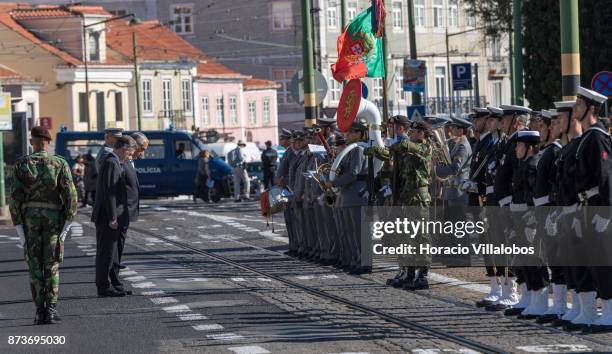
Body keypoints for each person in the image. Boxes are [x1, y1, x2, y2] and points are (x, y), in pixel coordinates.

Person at [9, 126, 78, 324]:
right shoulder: (59, 164)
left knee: (35, 267)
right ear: (48, 142)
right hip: (54, 221)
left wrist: (20, 229)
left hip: (30, 221)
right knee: (52, 266)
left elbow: (14, 200)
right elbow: (71, 197)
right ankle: (52, 310)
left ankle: (39, 311)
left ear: (32, 142)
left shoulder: (22, 164)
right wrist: (66, 226)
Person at [566, 87, 611, 333]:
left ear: (591, 109)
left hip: (598, 207)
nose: (575, 109)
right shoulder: (588, 138)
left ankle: (610, 312)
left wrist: (604, 212)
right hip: (587, 206)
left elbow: (606, 178)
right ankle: (593, 311)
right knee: (593, 261)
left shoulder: (597, 137)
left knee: (603, 262)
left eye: (579, 105)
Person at [485, 105, 531, 313]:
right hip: (499, 202)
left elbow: (517, 176)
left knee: (512, 248)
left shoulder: (518, 143)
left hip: (511, 204)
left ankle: (513, 291)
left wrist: (509, 201)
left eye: (506, 119)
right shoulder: (505, 143)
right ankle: (506, 290)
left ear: (517, 121)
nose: (501, 122)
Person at [92, 136, 136, 298]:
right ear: (123, 149)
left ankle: (112, 284)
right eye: (129, 153)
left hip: (113, 215)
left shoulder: (116, 162)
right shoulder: (111, 162)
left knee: (112, 253)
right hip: (107, 216)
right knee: (106, 253)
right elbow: (109, 193)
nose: (129, 156)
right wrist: (112, 217)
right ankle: (103, 286)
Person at [327, 119, 371, 274]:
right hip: (349, 193)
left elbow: (353, 173)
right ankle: (355, 259)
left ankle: (364, 262)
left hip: (357, 193)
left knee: (359, 231)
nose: (347, 134)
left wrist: (334, 182)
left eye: (351, 132)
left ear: (359, 133)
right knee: (350, 231)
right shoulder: (351, 149)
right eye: (347, 131)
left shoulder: (358, 149)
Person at [116, 132, 148, 275]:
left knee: (121, 239)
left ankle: (116, 263)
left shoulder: (130, 160)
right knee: (116, 241)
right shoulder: (122, 160)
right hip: (121, 208)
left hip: (126, 209)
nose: (143, 153)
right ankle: (114, 267)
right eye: (142, 149)